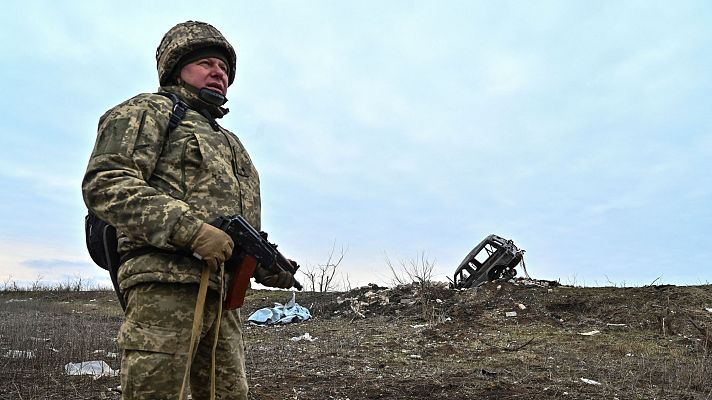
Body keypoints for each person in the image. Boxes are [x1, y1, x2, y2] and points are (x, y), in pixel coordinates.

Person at [82, 21, 295, 400]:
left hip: (223, 299)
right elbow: (106, 183)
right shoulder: (149, 110)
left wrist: (262, 265)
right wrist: (190, 231)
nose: (220, 73)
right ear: (177, 67)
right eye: (207, 64)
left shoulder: (230, 142)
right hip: (165, 289)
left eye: (225, 69)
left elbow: (233, 230)